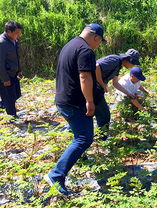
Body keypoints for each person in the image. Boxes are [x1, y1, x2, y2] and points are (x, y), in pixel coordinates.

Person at [44, 23, 104, 195]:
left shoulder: (70, 45)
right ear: (95, 37)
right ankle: (56, 175)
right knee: (84, 138)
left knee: (79, 134)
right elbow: (84, 77)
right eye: (99, 42)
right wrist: (90, 101)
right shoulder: (86, 50)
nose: (98, 45)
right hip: (74, 102)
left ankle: (80, 157)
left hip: (62, 99)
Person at [94, 49, 140, 132]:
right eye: (133, 63)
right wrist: (102, 84)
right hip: (92, 85)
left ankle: (100, 135)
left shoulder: (118, 66)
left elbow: (115, 83)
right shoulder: (115, 60)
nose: (132, 66)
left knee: (102, 113)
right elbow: (96, 66)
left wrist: (128, 93)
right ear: (129, 60)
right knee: (104, 115)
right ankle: (102, 137)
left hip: (97, 88)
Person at [0, 21, 23, 117]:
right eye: (17, 33)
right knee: (9, 98)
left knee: (16, 94)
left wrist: (19, 70)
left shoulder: (14, 40)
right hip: (4, 75)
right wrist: (5, 79)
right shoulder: (2, 43)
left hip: (13, 73)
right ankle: (13, 117)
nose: (19, 35)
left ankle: (3, 104)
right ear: (9, 31)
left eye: (20, 33)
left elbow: (16, 56)